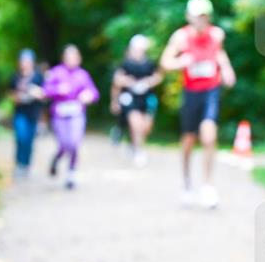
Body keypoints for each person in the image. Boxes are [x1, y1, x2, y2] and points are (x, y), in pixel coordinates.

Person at [160, 0, 236, 208]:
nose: (200, 21)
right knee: (188, 141)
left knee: (209, 135)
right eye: (196, 16)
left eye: (203, 16)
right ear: (188, 17)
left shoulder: (216, 34)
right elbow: (165, 63)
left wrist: (227, 69)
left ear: (208, 17)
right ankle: (186, 183)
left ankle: (208, 186)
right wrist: (180, 62)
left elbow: (219, 54)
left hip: (210, 90)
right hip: (191, 93)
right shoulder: (181, 37)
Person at [43, 45, 99, 189]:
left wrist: (88, 96)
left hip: (77, 113)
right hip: (60, 114)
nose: (71, 60)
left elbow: (94, 92)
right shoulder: (56, 72)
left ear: (79, 58)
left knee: (74, 143)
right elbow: (45, 90)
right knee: (63, 144)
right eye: (68, 57)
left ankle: (71, 173)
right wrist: (57, 90)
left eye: (74, 57)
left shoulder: (83, 75)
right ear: (64, 58)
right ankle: (56, 159)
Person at [112, 34, 162, 167]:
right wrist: (130, 84)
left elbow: (157, 77)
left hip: (147, 98)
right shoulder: (126, 64)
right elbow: (117, 81)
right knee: (136, 124)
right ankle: (138, 150)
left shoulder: (150, 63)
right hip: (131, 98)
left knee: (145, 127)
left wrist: (147, 83)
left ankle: (134, 144)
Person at [9, 49, 45, 178]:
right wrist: (18, 97)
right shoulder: (15, 76)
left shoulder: (38, 77)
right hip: (20, 112)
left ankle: (27, 165)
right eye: (23, 61)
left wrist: (37, 93)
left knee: (29, 140)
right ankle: (19, 164)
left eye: (27, 61)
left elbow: (45, 95)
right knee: (20, 137)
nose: (25, 63)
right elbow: (11, 94)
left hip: (33, 113)